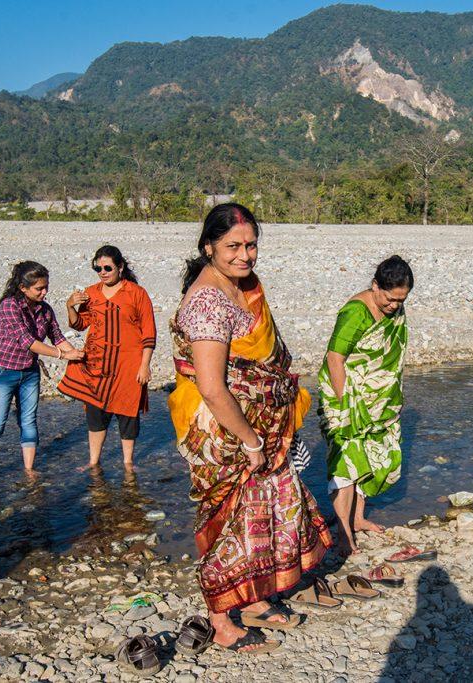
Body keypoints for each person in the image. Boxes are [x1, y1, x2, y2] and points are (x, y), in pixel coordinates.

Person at [167, 203, 332, 654]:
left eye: (251, 245)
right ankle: (220, 620)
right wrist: (251, 440)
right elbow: (213, 388)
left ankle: (256, 599)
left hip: (261, 426)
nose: (245, 255)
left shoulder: (243, 287)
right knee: (228, 523)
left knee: (269, 512)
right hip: (225, 434)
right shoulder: (207, 303)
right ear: (208, 247)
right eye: (233, 246)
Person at [318, 255, 412, 555]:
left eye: (401, 300)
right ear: (375, 286)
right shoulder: (355, 313)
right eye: (390, 299)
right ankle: (343, 532)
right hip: (346, 396)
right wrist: (346, 403)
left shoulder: (395, 309)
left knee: (371, 456)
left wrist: (388, 393)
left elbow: (391, 356)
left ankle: (357, 519)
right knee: (346, 462)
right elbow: (335, 358)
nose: (395, 306)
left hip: (378, 399)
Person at [0, 261, 83, 490]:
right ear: (23, 288)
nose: (44, 292)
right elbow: (28, 342)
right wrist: (63, 356)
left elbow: (57, 336)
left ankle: (29, 470)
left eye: (46, 287)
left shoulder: (45, 309)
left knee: (29, 421)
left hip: (29, 372)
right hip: (1, 370)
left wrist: (76, 353)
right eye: (39, 289)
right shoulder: (9, 306)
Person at [59, 245, 156, 471]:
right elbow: (80, 324)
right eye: (98, 268)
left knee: (128, 411)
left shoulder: (136, 293)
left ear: (120, 267)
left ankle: (128, 463)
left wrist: (145, 365)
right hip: (97, 363)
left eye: (107, 267)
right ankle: (93, 462)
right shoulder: (91, 293)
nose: (102, 272)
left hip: (128, 364)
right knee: (95, 411)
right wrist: (70, 306)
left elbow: (149, 332)